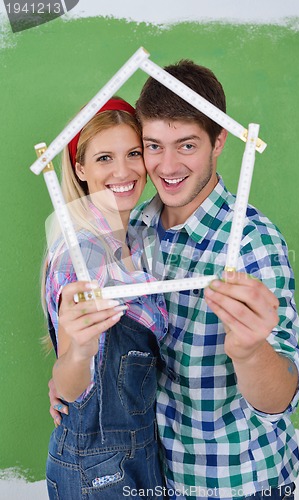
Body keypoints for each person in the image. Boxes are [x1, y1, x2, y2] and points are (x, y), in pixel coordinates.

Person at [50, 61, 299, 499]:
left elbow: (279, 398)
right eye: (152, 145)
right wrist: (72, 364)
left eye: (186, 145)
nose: (167, 165)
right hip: (153, 479)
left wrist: (249, 351)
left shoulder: (252, 245)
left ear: (219, 140)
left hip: (235, 486)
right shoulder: (134, 232)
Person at [43, 97, 168, 499]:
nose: (123, 170)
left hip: (142, 453)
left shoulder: (135, 238)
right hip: (97, 469)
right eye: (103, 158)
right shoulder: (80, 254)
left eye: (134, 153)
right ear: (80, 168)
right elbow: (70, 386)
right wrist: (76, 356)